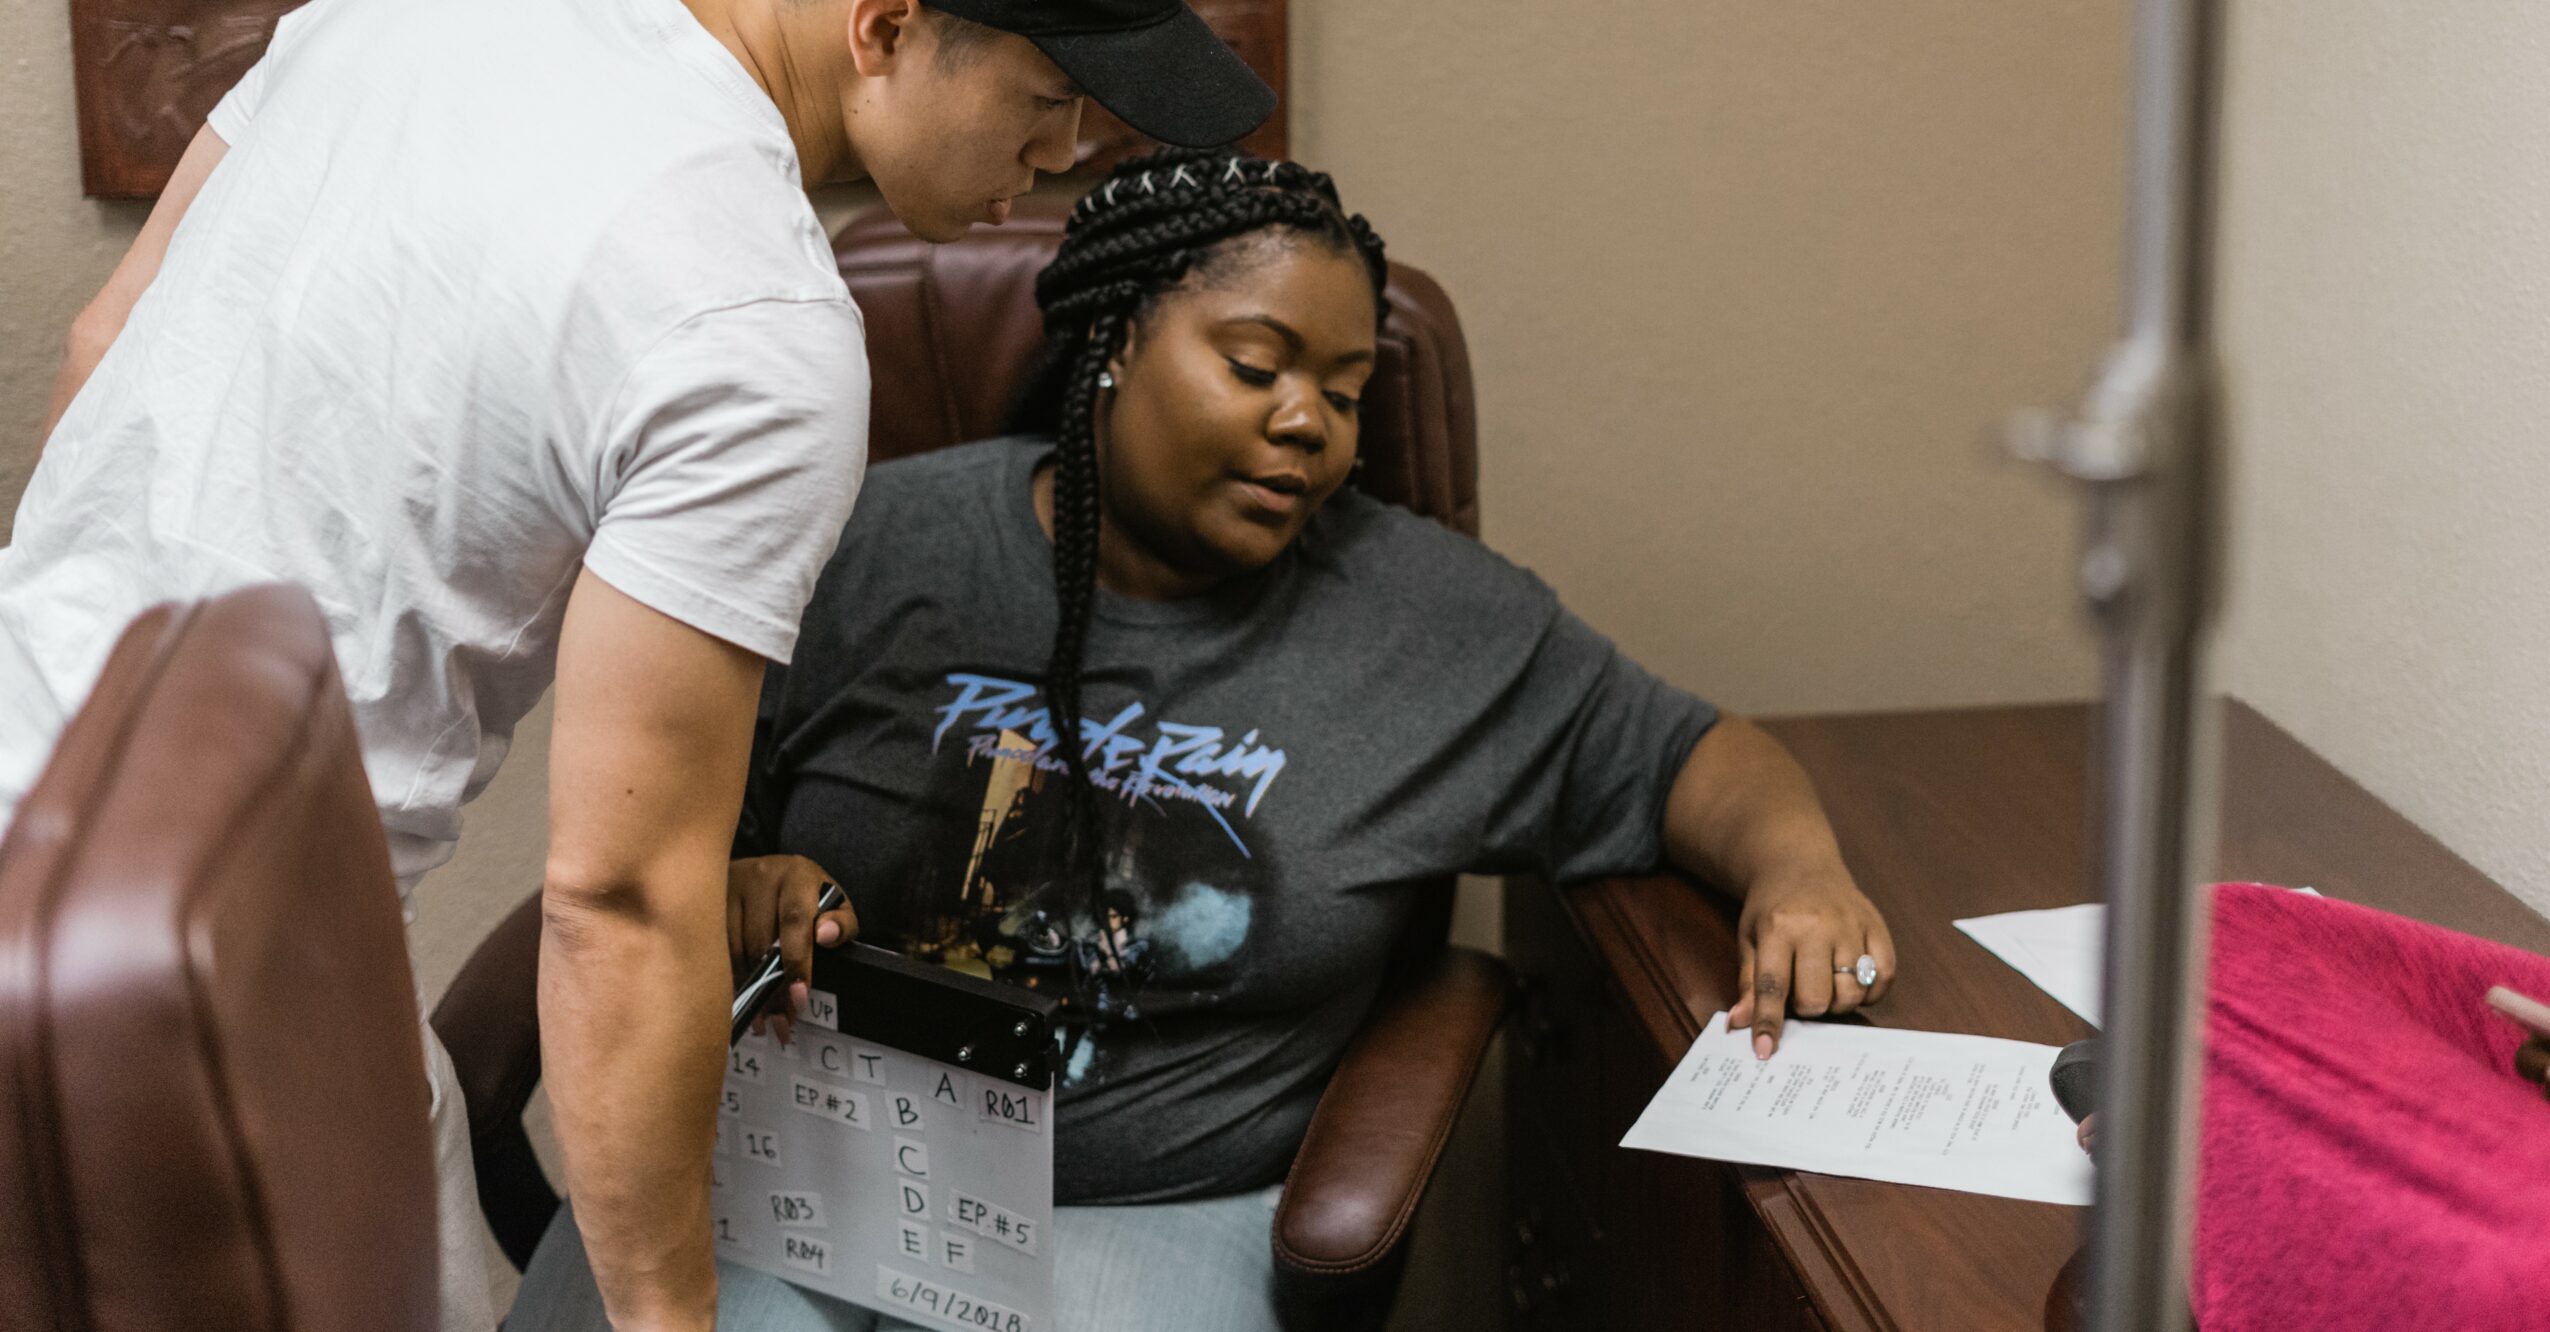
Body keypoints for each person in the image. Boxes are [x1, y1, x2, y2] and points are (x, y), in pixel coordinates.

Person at [0, 0, 1272, 1332]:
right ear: (886, 29)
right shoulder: (761, 328)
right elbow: (617, 900)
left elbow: (104, 349)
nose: (1066, 152)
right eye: (1047, 97)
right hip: (201, 985)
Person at [510, 151, 1895, 1332]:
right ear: (1113, 342)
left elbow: (1692, 756)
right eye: (1255, 364)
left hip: (1140, 1211)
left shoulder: (1432, 627)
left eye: (1345, 392)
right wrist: (739, 883)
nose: (1308, 423)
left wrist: (1799, 874)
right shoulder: (867, 542)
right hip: (792, 1160)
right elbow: (669, 836)